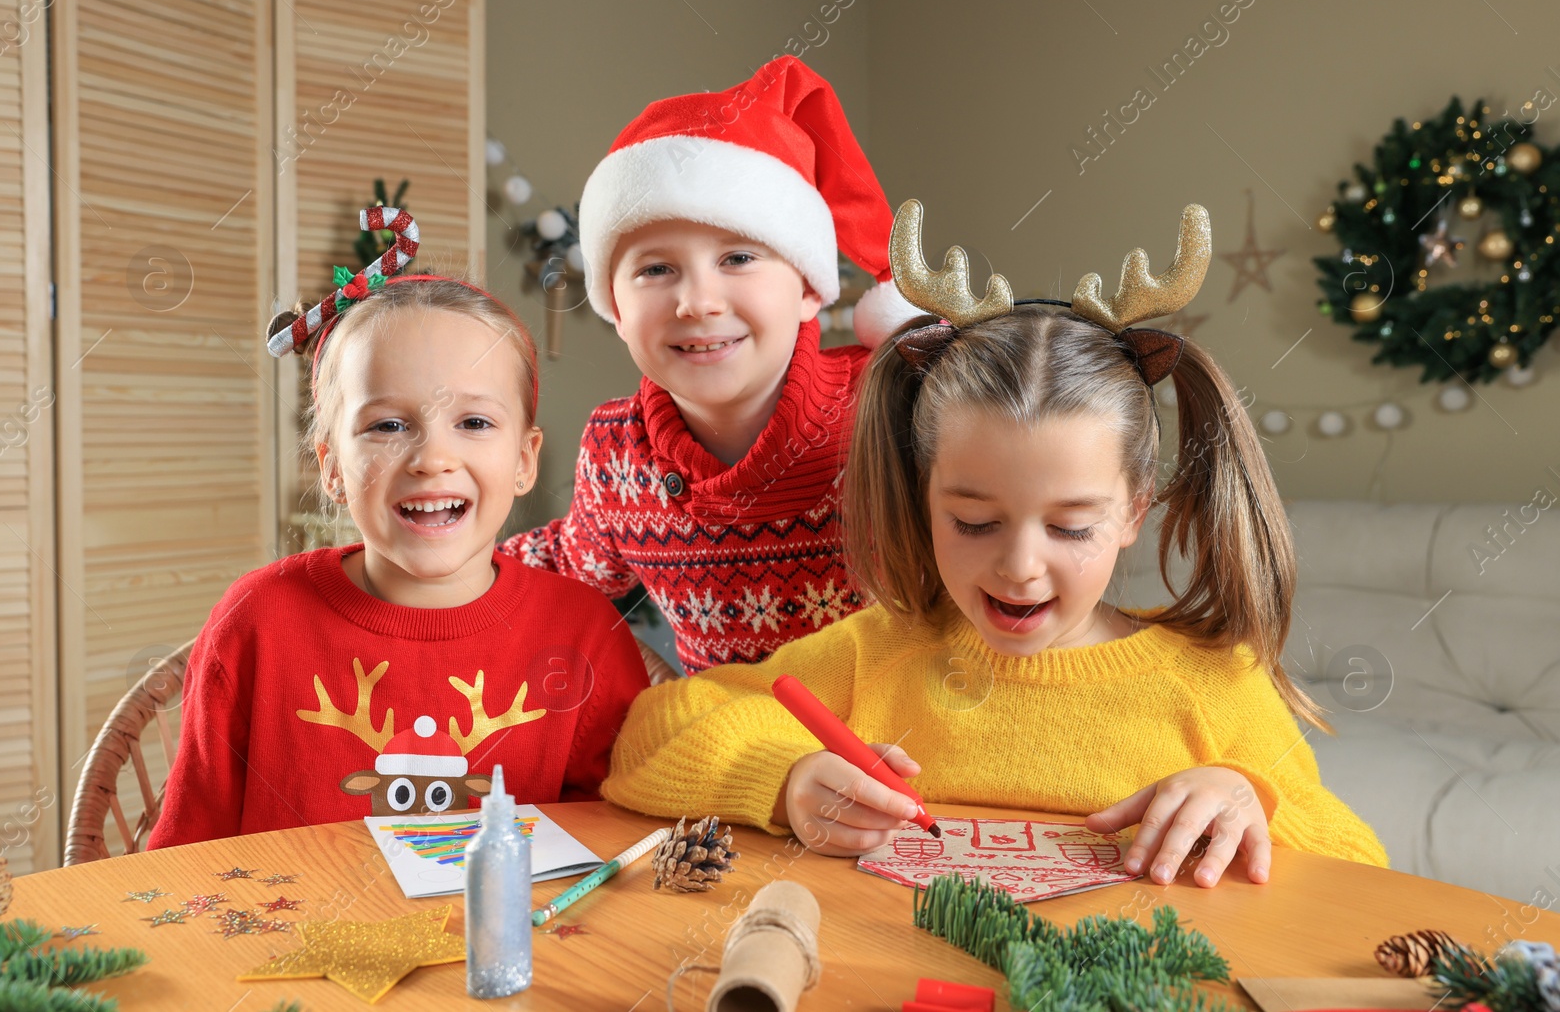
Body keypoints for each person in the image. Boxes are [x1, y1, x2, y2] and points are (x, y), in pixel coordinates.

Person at [601, 201, 1387, 886]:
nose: (1017, 565)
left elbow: (1361, 868)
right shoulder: (876, 653)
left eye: (1072, 526)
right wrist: (781, 779)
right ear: (924, 497)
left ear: (1134, 509)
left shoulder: (1213, 681)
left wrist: (1252, 801)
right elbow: (652, 734)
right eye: (973, 522)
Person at [149, 219, 648, 848]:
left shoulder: (584, 634)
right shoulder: (258, 620)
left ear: (525, 460)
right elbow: (183, 858)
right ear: (331, 466)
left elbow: (617, 851)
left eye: (473, 421)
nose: (431, 458)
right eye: (387, 426)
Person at [502, 55, 921, 674]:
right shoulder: (619, 452)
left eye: (738, 258)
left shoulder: (890, 405)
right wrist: (437, 555)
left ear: (809, 286)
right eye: (655, 269)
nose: (697, 301)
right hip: (724, 752)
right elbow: (568, 570)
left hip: (894, 739)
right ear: (614, 303)